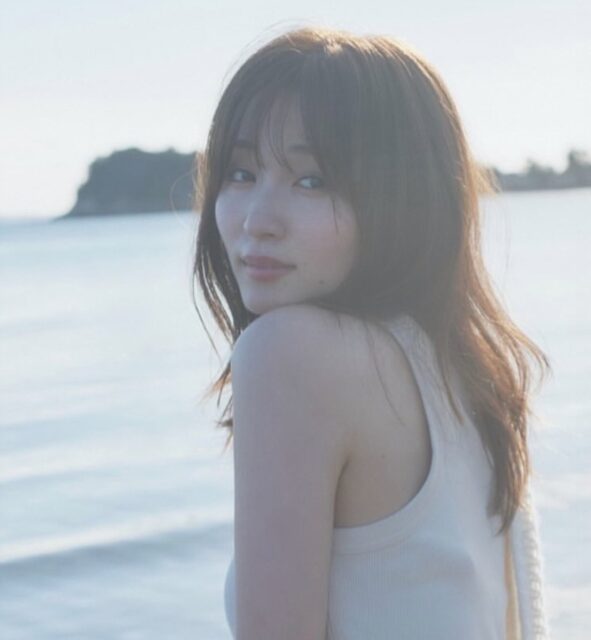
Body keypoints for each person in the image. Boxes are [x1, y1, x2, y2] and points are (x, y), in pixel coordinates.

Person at [193, 25, 551, 640]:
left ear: (402, 196)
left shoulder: (289, 354)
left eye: (312, 180)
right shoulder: (471, 372)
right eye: (241, 172)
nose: (258, 220)